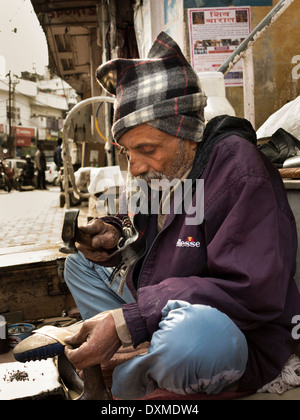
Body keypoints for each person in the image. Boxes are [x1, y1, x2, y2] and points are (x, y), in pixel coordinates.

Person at [63, 32, 300, 399]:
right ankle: (139, 351)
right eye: (127, 152)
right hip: (163, 302)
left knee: (192, 342)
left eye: (146, 149)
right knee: (78, 265)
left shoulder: (238, 172)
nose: (135, 167)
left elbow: (253, 291)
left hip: (233, 328)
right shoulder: (159, 171)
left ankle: (131, 372)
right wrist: (113, 234)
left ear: (187, 133)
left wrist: (133, 319)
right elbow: (141, 230)